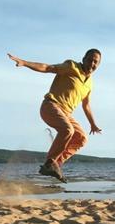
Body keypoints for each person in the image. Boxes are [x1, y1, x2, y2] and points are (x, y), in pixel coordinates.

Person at [7, 49, 102, 182]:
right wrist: (24, 63)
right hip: (51, 106)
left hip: (67, 113)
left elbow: (86, 105)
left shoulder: (89, 83)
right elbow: (48, 68)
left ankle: (55, 164)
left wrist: (92, 124)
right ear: (84, 58)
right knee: (68, 130)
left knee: (81, 138)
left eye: (95, 62)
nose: (92, 63)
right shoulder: (71, 66)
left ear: (98, 64)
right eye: (90, 59)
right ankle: (50, 163)